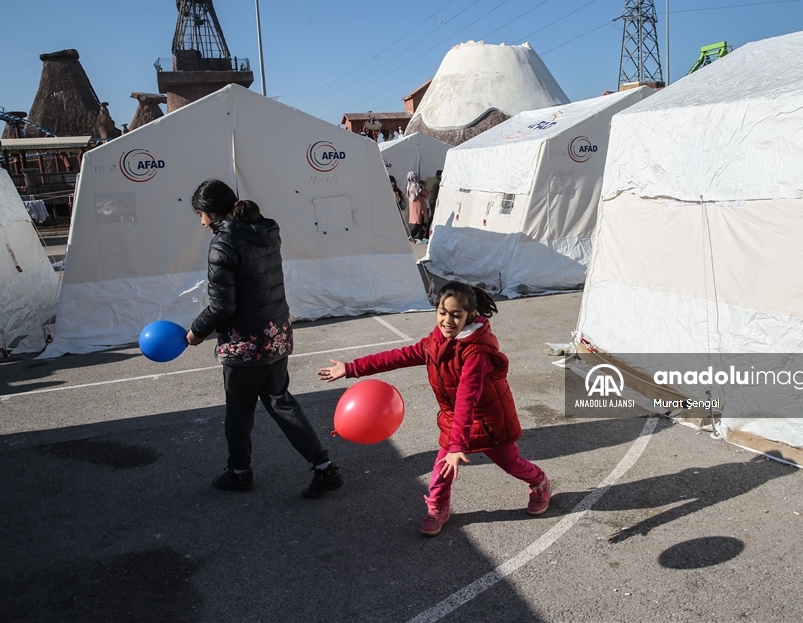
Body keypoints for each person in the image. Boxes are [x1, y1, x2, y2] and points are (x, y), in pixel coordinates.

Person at [318, 281, 550, 536]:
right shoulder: (436, 341)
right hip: (455, 419)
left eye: (456, 315)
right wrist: (351, 368)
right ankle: (438, 506)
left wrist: (457, 446)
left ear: (470, 315)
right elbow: (400, 356)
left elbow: (466, 399)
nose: (447, 320)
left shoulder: (477, 352)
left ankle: (538, 482)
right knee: (441, 470)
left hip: (488, 421)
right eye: (442, 312)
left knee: (512, 464)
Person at [186, 179, 343, 499]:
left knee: (239, 411)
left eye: (200, 215)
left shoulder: (223, 243)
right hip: (275, 334)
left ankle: (239, 471)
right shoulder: (266, 231)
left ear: (210, 213)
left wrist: (196, 331)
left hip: (245, 343)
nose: (200, 222)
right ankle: (324, 468)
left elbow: (222, 305)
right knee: (280, 402)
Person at [405, 171, 430, 243]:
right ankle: (419, 238)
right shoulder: (417, 186)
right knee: (421, 222)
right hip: (420, 206)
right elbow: (425, 194)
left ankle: (412, 236)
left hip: (413, 207)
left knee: (418, 222)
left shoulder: (409, 186)